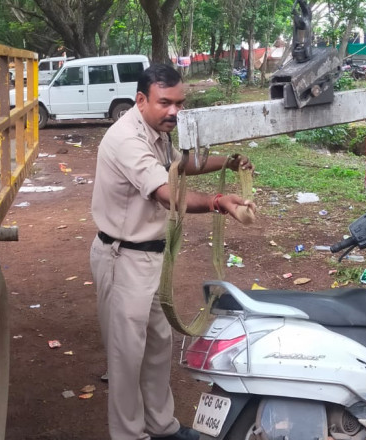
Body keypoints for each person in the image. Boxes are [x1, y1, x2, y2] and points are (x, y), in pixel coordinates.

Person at [90, 64, 256, 440]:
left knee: (157, 346)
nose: (174, 112)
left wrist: (227, 161)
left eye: (180, 103)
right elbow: (166, 193)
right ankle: (130, 435)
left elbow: (181, 167)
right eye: (165, 103)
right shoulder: (126, 139)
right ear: (141, 100)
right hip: (122, 258)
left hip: (148, 257)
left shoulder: (157, 133)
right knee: (126, 358)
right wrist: (217, 201)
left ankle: (161, 427)